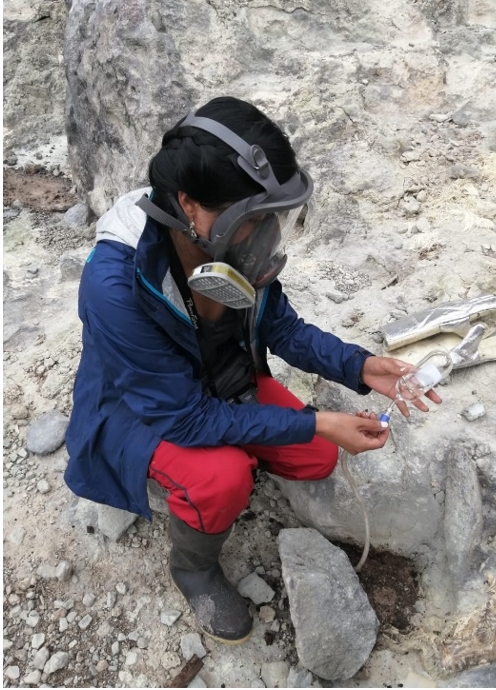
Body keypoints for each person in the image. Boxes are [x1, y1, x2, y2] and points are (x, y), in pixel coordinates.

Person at [64, 97, 441, 644]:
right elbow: (186, 420)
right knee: (223, 478)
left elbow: (281, 329)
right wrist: (314, 420)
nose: (266, 232)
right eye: (254, 218)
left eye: (273, 217)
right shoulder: (115, 284)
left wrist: (360, 365)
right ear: (189, 205)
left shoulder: (232, 247)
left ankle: (229, 465)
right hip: (142, 410)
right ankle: (192, 566)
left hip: (222, 382)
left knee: (315, 458)